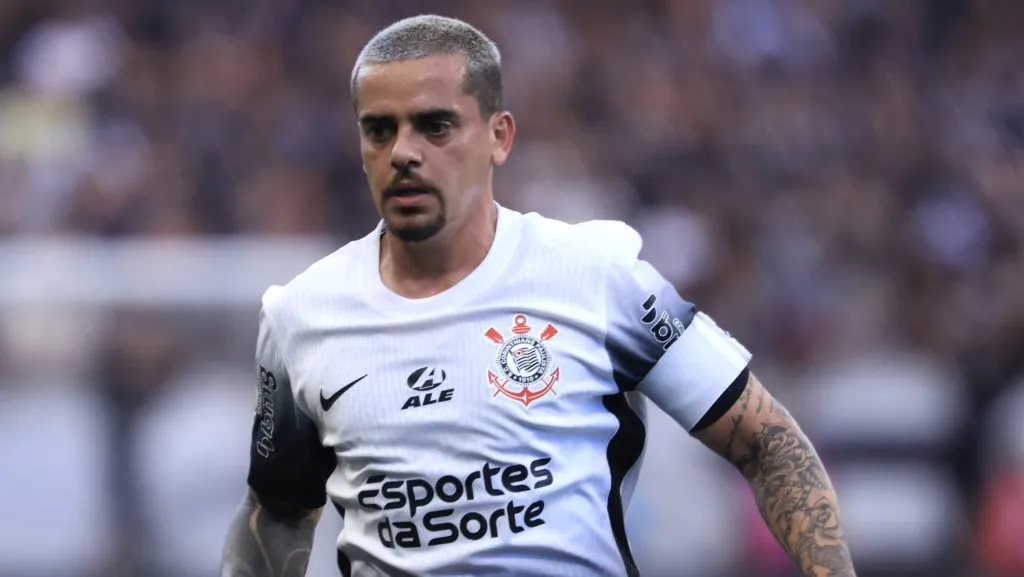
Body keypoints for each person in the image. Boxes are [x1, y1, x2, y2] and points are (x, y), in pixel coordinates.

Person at [221, 14, 858, 577]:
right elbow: (277, 514)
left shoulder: (596, 279)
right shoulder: (301, 315)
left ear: (499, 136)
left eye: (435, 126)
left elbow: (767, 441)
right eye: (379, 131)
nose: (403, 153)